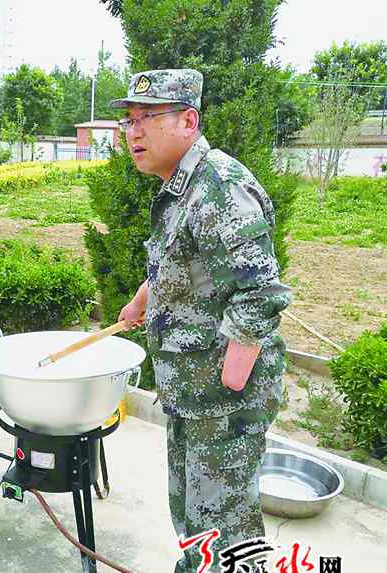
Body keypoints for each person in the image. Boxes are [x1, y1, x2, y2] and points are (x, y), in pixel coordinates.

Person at [113, 69, 291, 571]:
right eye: (130, 120)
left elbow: (261, 291)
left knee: (228, 531)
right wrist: (142, 300)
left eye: (148, 118)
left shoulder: (219, 185)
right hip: (193, 393)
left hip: (222, 399)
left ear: (188, 121)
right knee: (196, 515)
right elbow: (183, 262)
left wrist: (231, 378)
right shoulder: (181, 187)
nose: (135, 131)